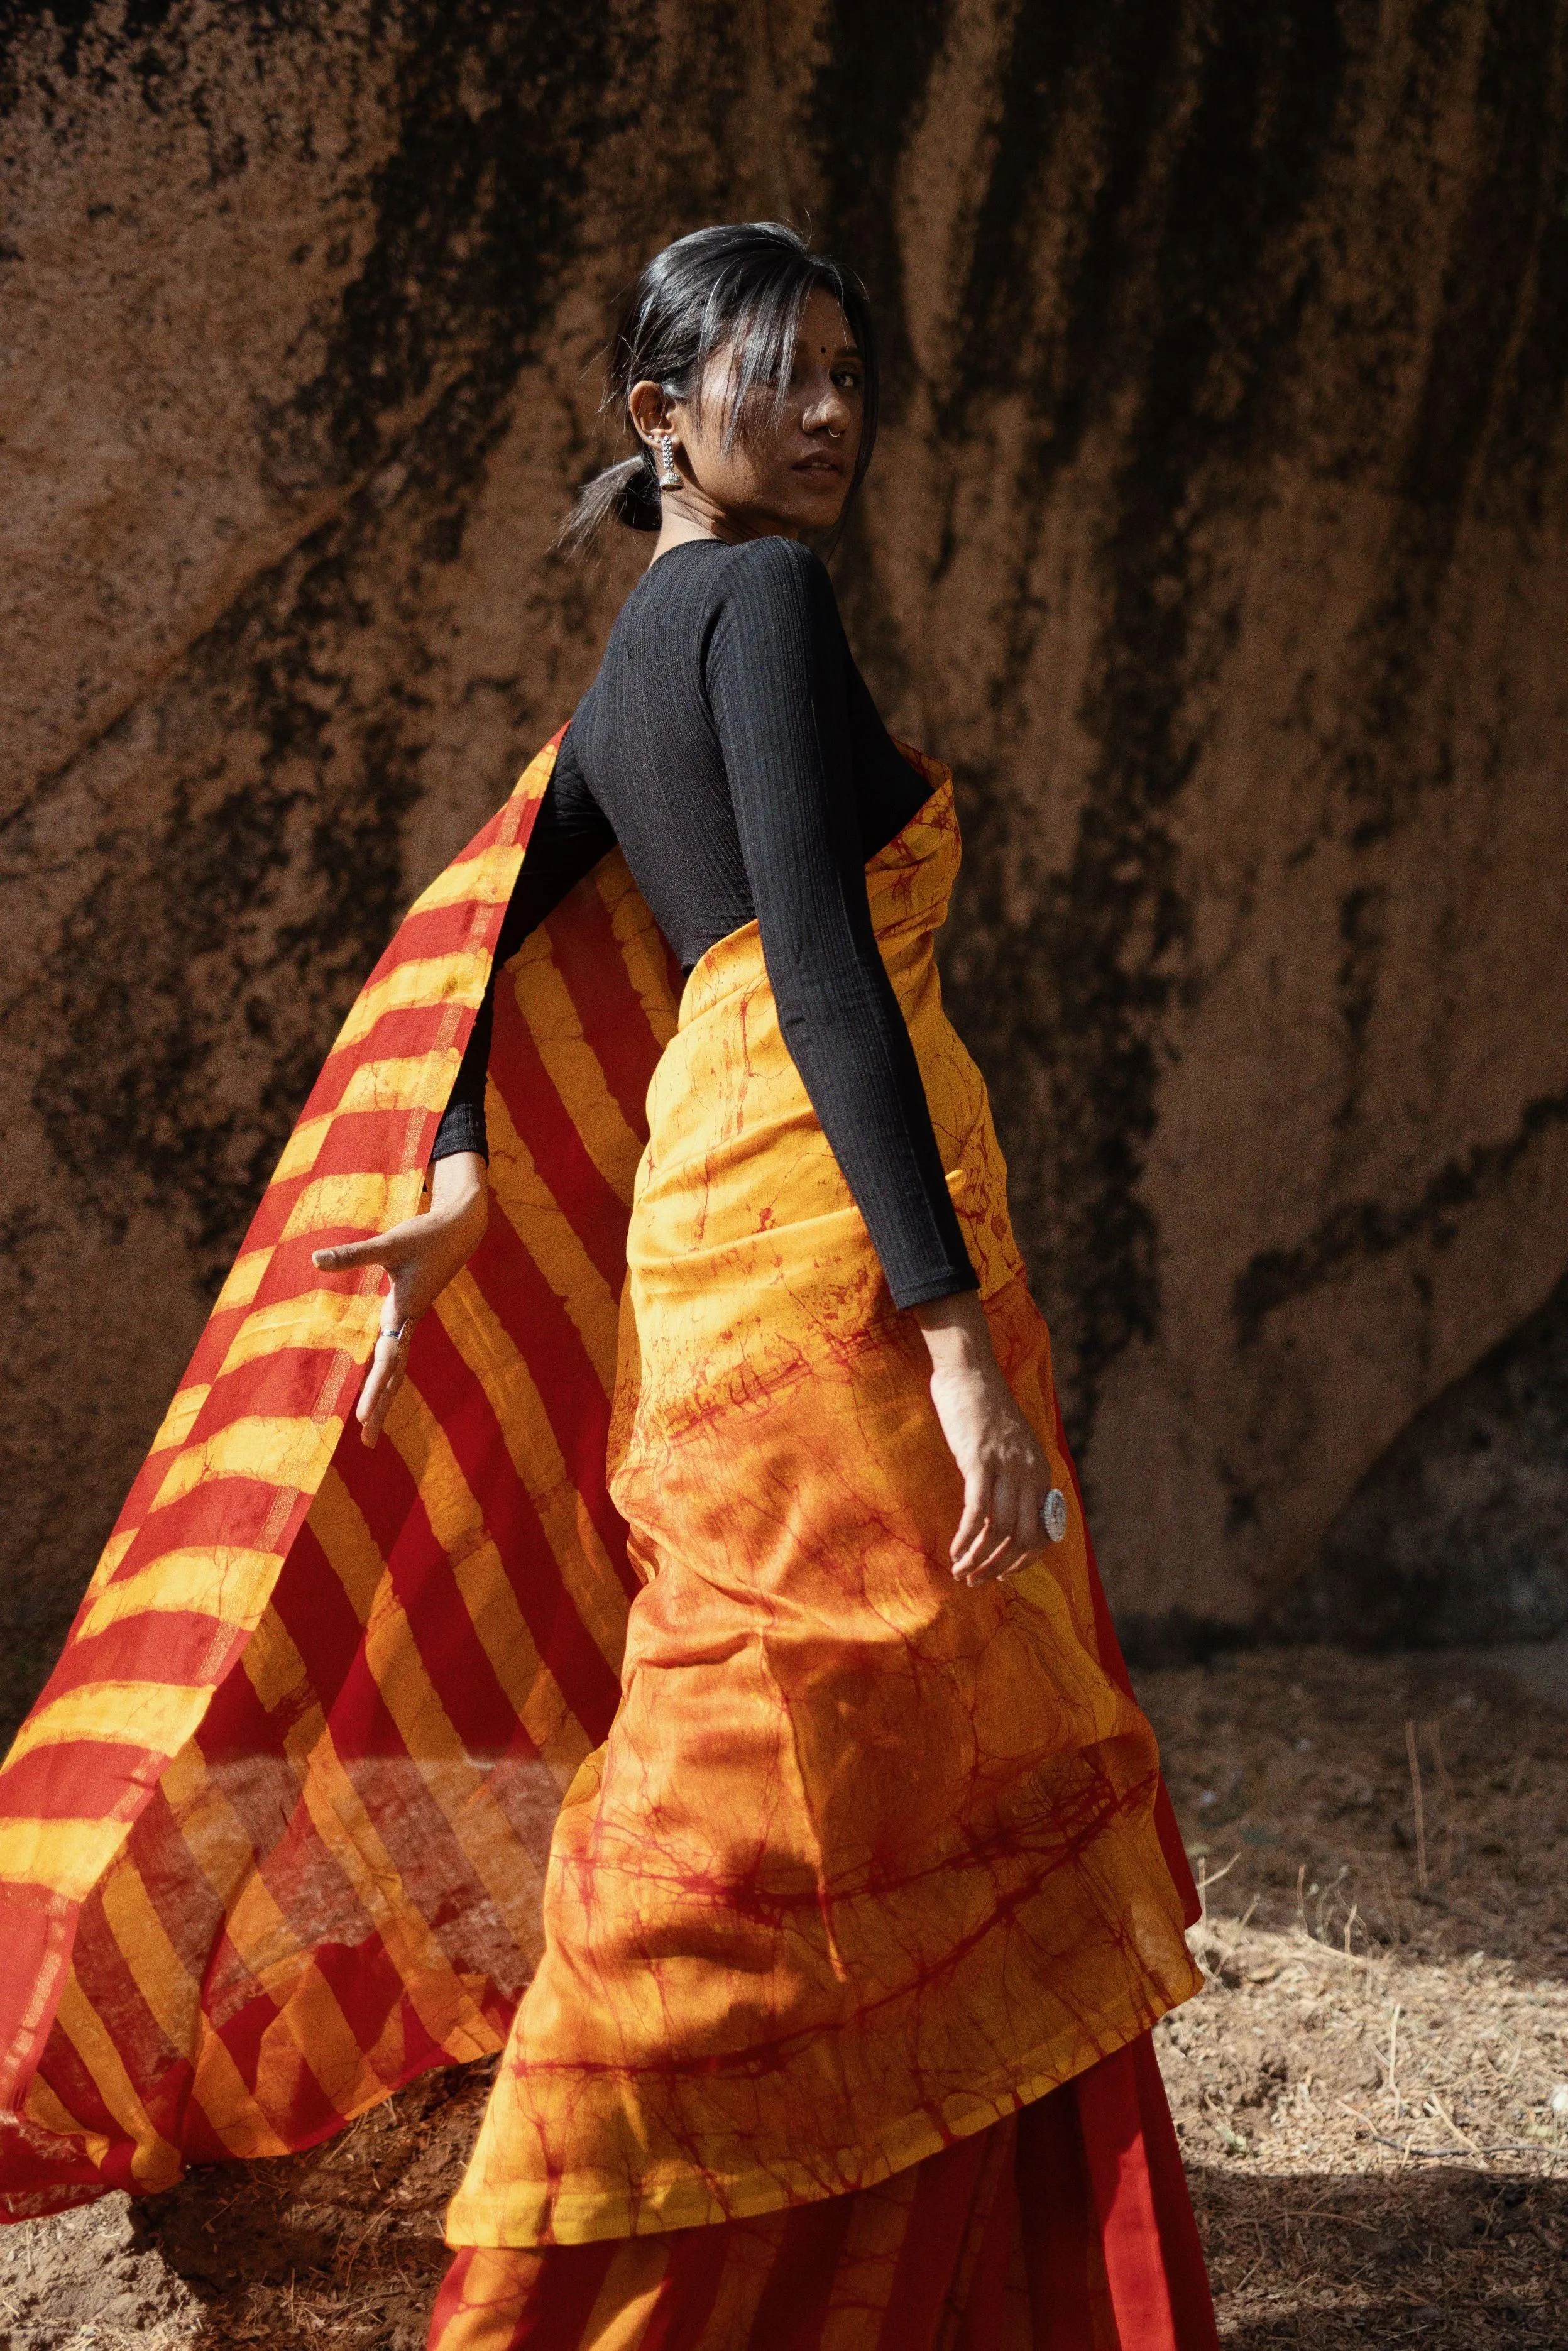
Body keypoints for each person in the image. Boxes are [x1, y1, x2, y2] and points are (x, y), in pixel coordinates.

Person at [0, 224, 1215, 2349]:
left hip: (722, 1202)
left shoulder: (640, 649)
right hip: (821, 1218)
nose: (835, 411)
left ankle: (875, 2263)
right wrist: (947, 1339)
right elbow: (817, 962)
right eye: (784, 374)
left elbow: (477, 928)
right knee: (795, 1726)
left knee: (827, 1709)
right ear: (661, 416)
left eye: (853, 370)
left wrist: (456, 1164)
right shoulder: (755, 596)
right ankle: (602, 2242)